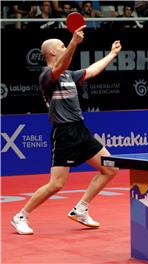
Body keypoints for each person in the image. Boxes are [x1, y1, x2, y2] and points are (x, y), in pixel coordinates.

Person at [11, 25, 121, 235]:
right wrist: (73, 42)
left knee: (111, 168)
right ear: (52, 52)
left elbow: (93, 70)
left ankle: (81, 208)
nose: (64, 47)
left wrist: (112, 54)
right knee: (56, 184)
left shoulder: (70, 75)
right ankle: (20, 216)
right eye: (61, 46)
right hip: (63, 134)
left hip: (80, 129)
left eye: (65, 45)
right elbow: (59, 67)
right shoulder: (46, 76)